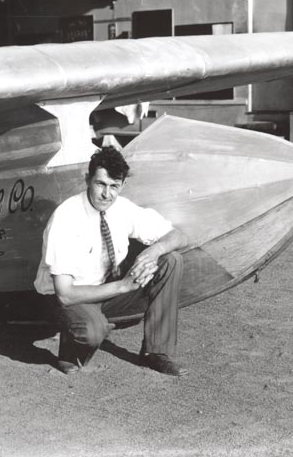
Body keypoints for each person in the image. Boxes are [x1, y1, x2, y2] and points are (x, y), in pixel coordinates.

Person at [34, 146, 188, 376]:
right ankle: (69, 351)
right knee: (92, 332)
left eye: (114, 186)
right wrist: (124, 286)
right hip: (67, 300)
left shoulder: (122, 208)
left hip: (106, 290)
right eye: (101, 184)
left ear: (123, 185)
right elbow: (65, 294)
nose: (107, 194)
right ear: (87, 179)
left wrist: (154, 250)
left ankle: (155, 352)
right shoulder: (66, 217)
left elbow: (179, 236)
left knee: (170, 260)